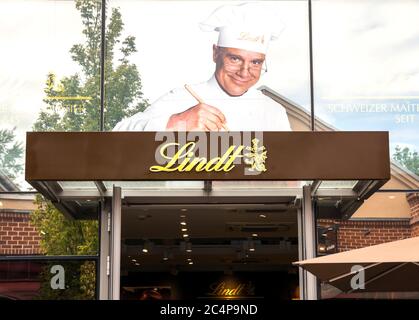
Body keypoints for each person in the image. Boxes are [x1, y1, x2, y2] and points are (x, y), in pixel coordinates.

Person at [113, 3, 291, 132]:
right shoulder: (183, 97)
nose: (244, 72)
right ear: (216, 54)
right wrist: (177, 122)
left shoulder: (274, 112)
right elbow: (118, 135)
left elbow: (291, 174)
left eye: (256, 62)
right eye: (235, 59)